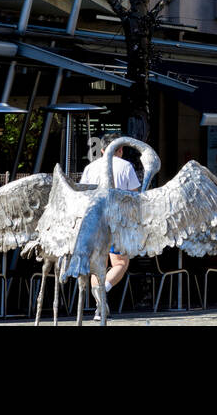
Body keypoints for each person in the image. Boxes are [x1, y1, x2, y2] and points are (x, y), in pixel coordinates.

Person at [80, 134, 141, 318]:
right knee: (121, 263)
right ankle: (104, 292)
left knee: (97, 266)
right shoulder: (126, 166)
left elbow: (83, 195)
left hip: (94, 222)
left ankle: (100, 307)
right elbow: (134, 197)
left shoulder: (90, 167)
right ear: (120, 150)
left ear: (102, 150)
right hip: (117, 222)